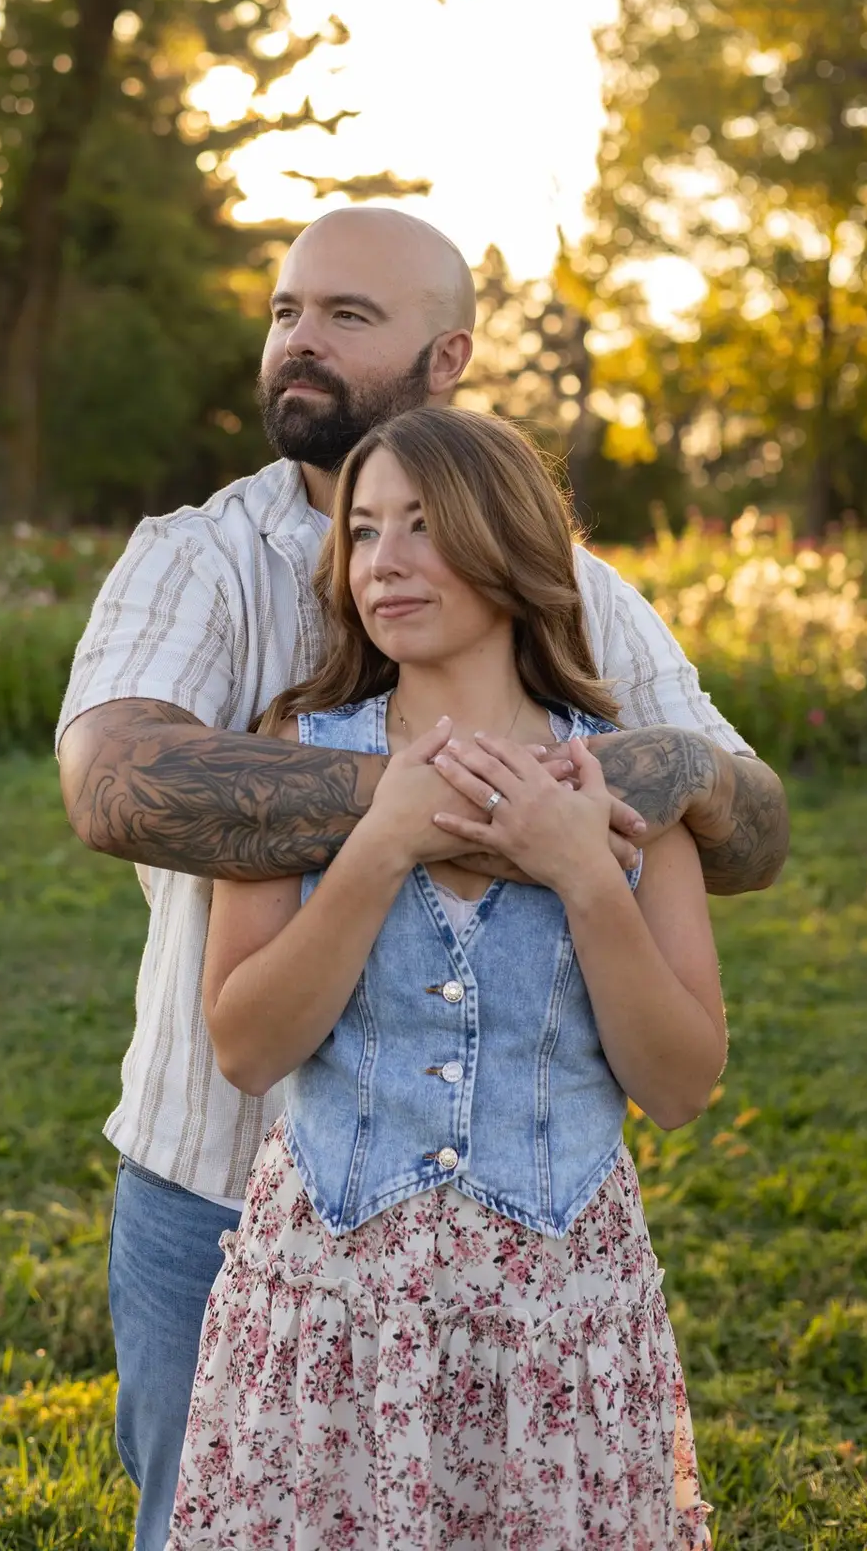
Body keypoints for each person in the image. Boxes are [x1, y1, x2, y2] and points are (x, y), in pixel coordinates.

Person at [56, 205, 788, 1551]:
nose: (299, 341)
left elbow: (737, 826)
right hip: (247, 1216)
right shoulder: (197, 556)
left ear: (446, 357)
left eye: (347, 316)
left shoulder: (589, 603)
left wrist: (622, 807)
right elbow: (111, 788)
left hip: (546, 1283)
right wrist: (401, 818)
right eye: (285, 310)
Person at [165, 406, 721, 1549]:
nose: (383, 561)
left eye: (420, 526)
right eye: (362, 533)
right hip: (332, 1313)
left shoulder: (624, 781)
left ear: (510, 546)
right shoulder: (291, 762)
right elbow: (246, 1048)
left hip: (552, 1325)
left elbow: (678, 1085)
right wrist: (376, 845)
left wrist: (582, 874)